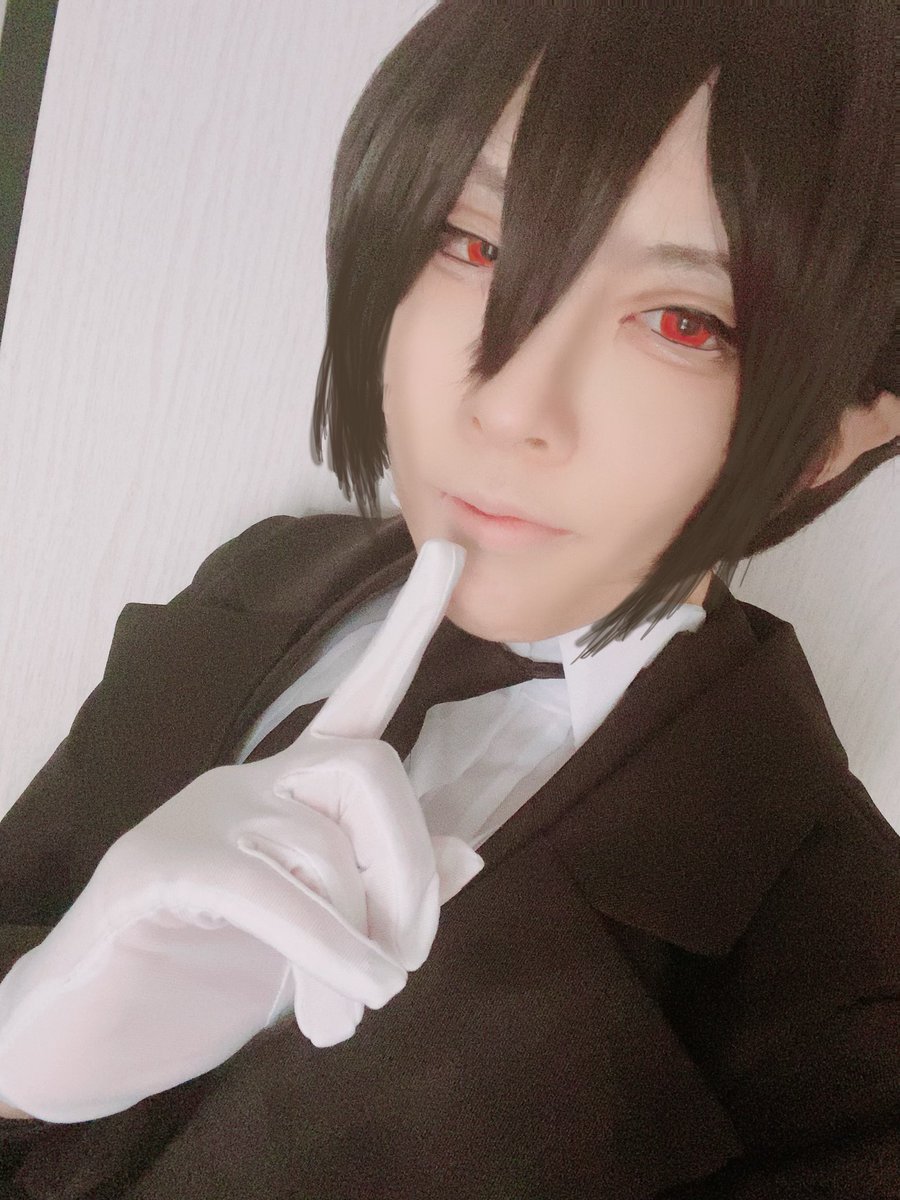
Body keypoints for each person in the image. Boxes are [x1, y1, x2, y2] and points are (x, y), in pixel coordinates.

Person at [0, 0, 897, 1195]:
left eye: (684, 320)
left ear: (840, 434)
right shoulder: (266, 574)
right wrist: (17, 1058)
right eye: (471, 244)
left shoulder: (852, 991)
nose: (507, 400)